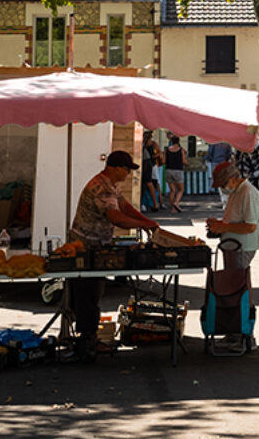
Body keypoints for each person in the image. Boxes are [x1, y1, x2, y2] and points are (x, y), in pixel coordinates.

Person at [68, 151, 161, 362]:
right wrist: (143, 224)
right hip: (85, 246)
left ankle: (90, 337)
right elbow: (116, 217)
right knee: (87, 293)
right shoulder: (101, 187)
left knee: (94, 291)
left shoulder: (111, 185)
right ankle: (86, 340)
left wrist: (147, 221)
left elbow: (125, 207)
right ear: (116, 167)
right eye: (127, 169)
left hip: (97, 244)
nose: (128, 174)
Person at [205, 159, 259, 351]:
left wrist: (224, 227)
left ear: (231, 179)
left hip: (241, 247)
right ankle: (234, 332)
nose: (222, 188)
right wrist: (220, 225)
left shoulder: (247, 192)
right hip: (232, 246)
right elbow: (235, 221)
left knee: (238, 291)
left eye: (222, 184)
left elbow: (250, 225)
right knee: (232, 289)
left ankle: (243, 335)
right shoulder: (237, 193)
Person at [163, 135, 187, 212]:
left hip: (169, 170)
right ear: (179, 141)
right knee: (180, 189)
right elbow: (184, 161)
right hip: (178, 170)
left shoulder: (167, 150)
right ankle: (176, 202)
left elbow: (163, 161)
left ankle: (172, 209)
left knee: (172, 190)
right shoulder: (181, 150)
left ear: (171, 141)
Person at [141, 135, 164, 212]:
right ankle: (157, 203)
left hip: (149, 164)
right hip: (150, 164)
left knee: (151, 183)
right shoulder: (148, 143)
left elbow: (159, 153)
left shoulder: (152, 144)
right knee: (152, 183)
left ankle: (157, 203)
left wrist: (153, 157)